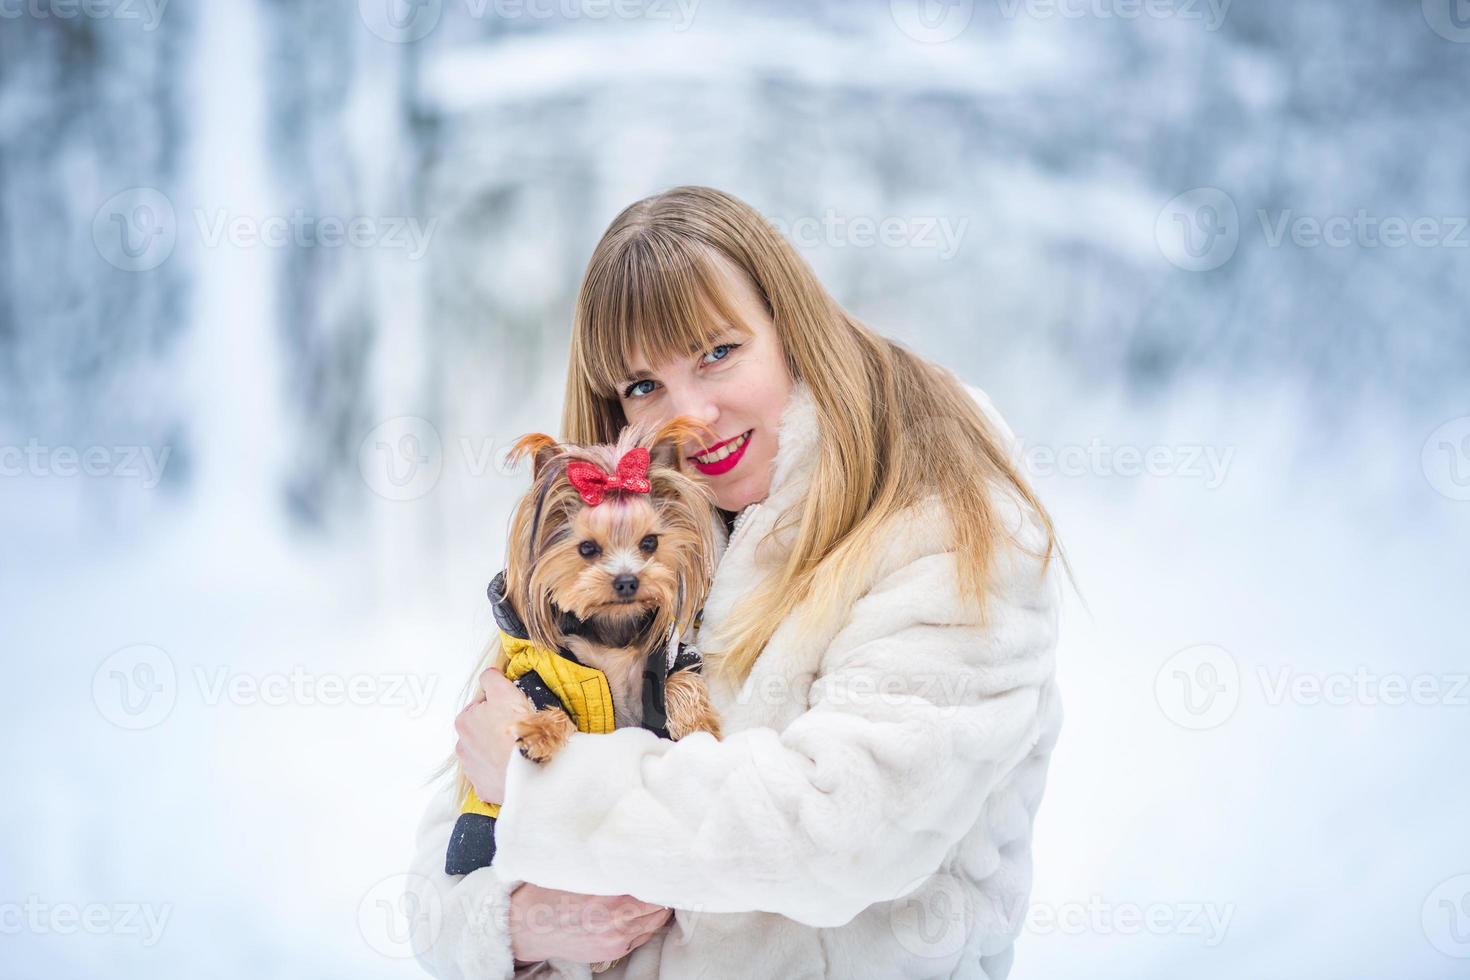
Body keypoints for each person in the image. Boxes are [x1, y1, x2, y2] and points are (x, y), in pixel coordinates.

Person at [409, 185, 1065, 979]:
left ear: (790, 322)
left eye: (718, 353)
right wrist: (519, 929)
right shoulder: (637, 534)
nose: (696, 416)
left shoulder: (942, 509)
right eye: (644, 387)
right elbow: (450, 863)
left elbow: (843, 831)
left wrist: (548, 792)